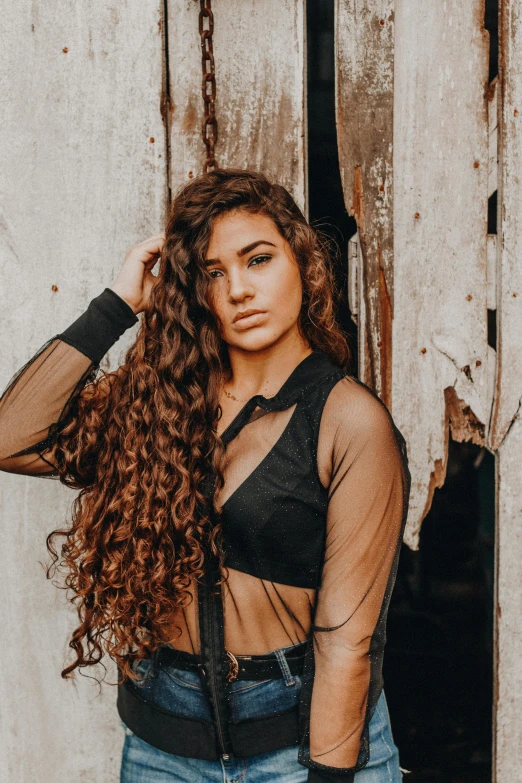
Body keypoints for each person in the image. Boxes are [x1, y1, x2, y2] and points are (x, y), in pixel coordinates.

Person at [0, 168, 411, 782]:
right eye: (214, 273)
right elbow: (13, 438)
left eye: (259, 259)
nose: (239, 289)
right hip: (163, 747)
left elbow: (345, 639)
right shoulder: (161, 402)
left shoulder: (348, 421)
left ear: (302, 262)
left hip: (299, 747)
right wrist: (116, 307)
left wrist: (328, 776)